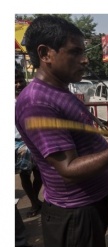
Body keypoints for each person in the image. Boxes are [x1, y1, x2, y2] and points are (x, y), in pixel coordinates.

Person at [15, 15, 108, 247]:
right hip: (75, 215)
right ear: (46, 53)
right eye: (75, 52)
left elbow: (86, 142)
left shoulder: (60, 91)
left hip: (90, 206)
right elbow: (68, 169)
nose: (85, 60)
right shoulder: (38, 101)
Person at [15, 68, 43, 218]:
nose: (19, 84)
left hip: (33, 141)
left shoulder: (29, 98)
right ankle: (33, 202)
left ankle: (36, 198)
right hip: (17, 143)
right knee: (25, 175)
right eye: (15, 82)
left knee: (39, 175)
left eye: (21, 81)